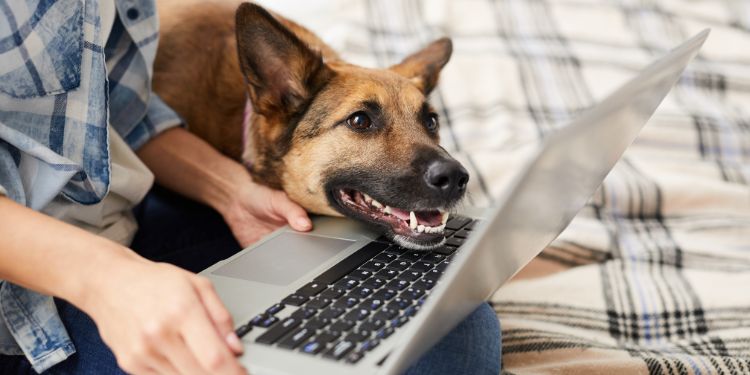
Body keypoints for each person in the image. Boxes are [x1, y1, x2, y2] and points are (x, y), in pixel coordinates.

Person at [0, 0, 501, 374]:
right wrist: (105, 280)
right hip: (25, 304)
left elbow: (120, 114)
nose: (449, 170)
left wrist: (231, 192)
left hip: (117, 217)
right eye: (363, 122)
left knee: (455, 331)